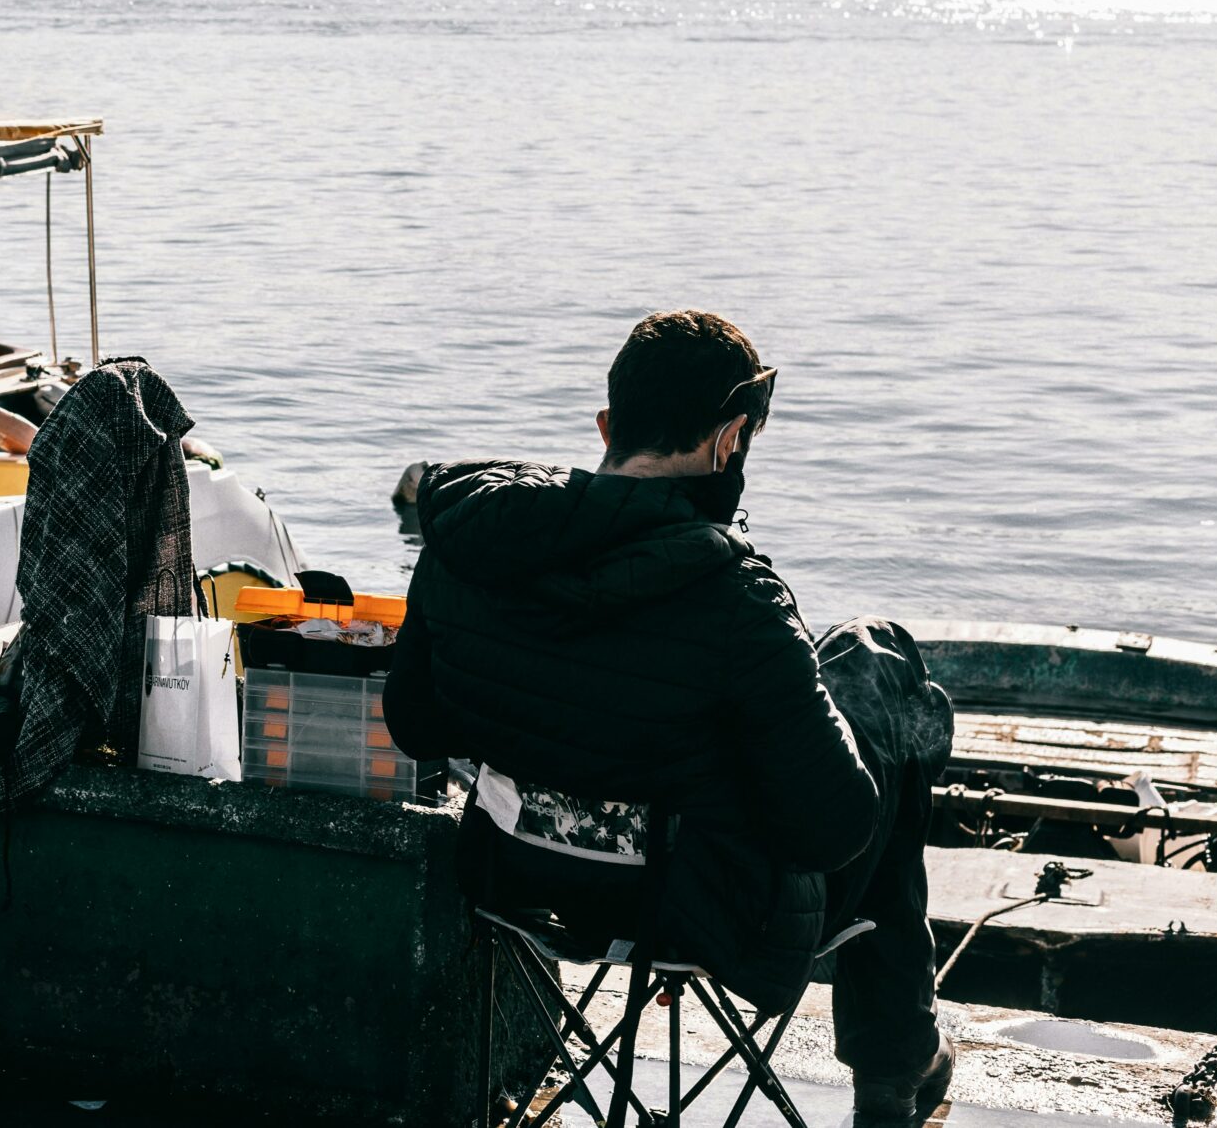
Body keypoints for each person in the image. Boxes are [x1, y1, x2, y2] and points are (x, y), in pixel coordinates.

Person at [384, 310, 955, 1128]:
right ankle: (894, 1067)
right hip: (696, 906)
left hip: (519, 877)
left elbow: (415, 723)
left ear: (607, 425)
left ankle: (900, 1060)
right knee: (887, 687)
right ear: (729, 442)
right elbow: (835, 830)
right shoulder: (738, 600)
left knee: (849, 687)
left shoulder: (465, 546)